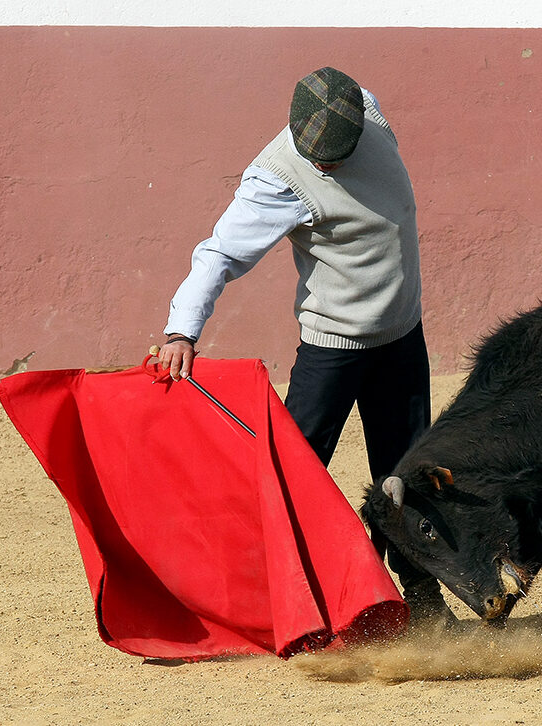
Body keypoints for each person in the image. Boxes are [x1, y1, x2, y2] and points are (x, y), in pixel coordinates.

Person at [156, 67, 453, 625]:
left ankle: (420, 597)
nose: (323, 166)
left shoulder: (368, 110)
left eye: (334, 160)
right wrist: (181, 330)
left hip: (401, 340)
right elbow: (219, 254)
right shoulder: (276, 177)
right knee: (294, 473)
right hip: (333, 348)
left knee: (407, 473)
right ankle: (272, 599)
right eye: (315, 157)